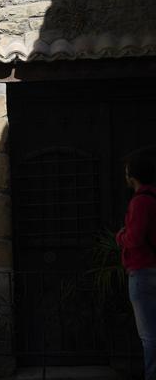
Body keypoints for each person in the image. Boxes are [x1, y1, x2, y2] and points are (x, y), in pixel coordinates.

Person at [117, 153, 156, 380]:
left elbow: (134, 238)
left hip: (143, 271)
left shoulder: (140, 202)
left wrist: (120, 237)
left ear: (132, 176)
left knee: (149, 334)